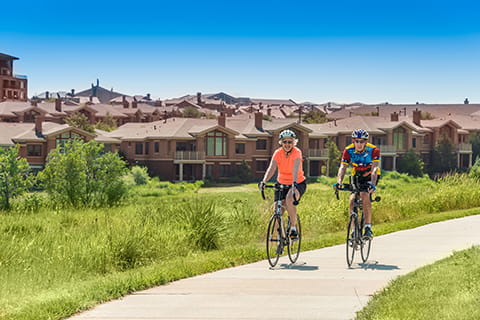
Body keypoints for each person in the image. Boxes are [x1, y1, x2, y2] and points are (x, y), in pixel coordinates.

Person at [259, 129, 307, 238]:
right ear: (281, 143)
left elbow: (295, 169)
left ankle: (294, 228)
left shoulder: (297, 152)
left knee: (290, 199)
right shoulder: (277, 153)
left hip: (298, 182)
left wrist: (294, 183)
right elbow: (271, 168)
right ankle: (280, 236)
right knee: (277, 210)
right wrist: (264, 181)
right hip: (281, 183)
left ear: (293, 143)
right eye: (284, 142)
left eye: (290, 142)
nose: (287, 144)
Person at [334, 129, 380, 238]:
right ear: (353, 141)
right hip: (357, 175)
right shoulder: (348, 150)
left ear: (366, 142)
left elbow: (374, 168)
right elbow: (343, 167)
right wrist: (339, 182)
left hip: (370, 175)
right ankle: (354, 230)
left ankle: (368, 227)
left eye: (362, 141)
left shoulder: (373, 150)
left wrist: (372, 184)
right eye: (357, 141)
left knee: (365, 195)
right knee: (352, 200)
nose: (359, 144)